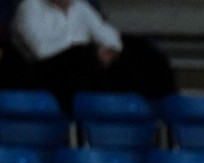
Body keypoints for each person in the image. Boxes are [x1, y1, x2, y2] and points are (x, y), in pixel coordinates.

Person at [9, 0, 175, 106]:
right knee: (82, 57)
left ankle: (163, 106)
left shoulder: (80, 7)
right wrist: (87, 51)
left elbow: (108, 34)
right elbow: (41, 50)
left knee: (139, 50)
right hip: (46, 74)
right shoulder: (29, 7)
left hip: (86, 67)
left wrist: (109, 51)